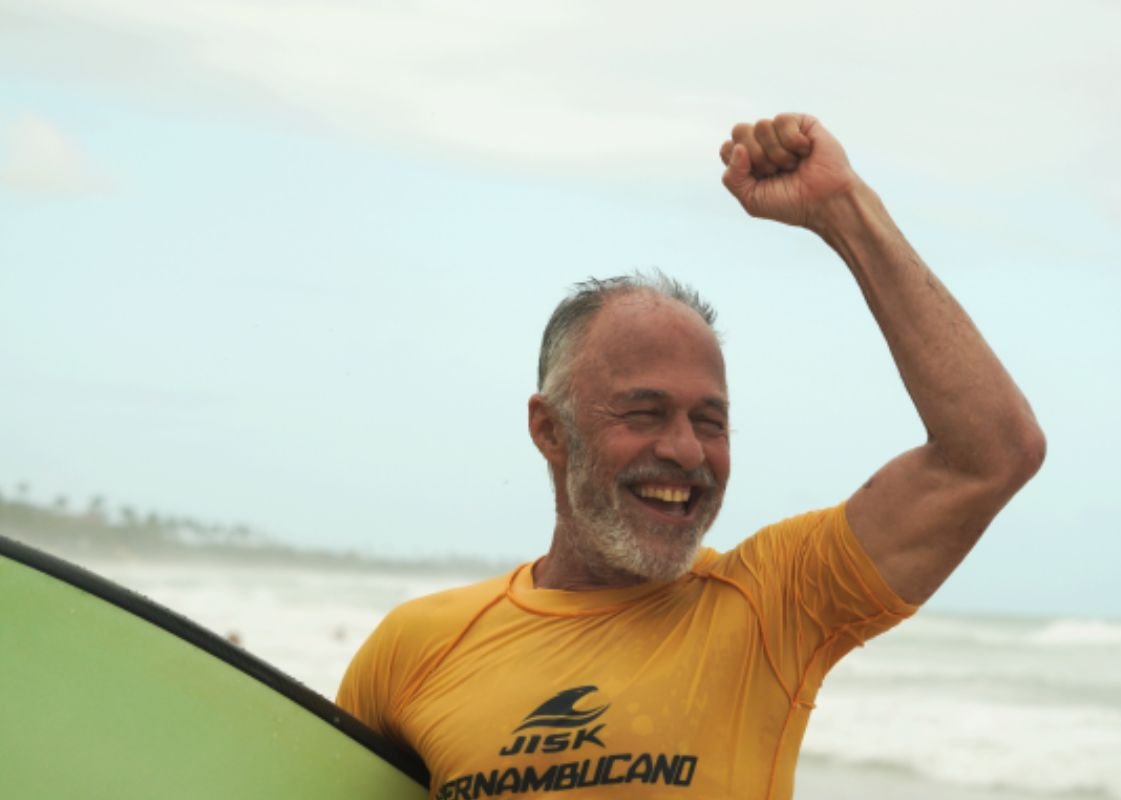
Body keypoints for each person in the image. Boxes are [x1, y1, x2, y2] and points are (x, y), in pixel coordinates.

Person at [337, 113, 1046, 800]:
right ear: (550, 431)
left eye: (710, 421)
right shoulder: (414, 649)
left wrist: (843, 211)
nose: (685, 450)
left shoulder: (772, 606)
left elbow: (990, 455)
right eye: (644, 413)